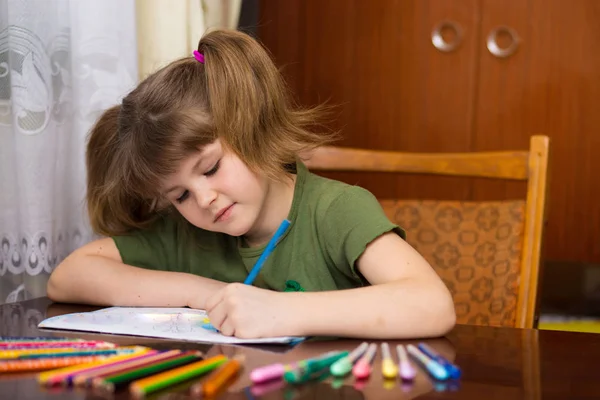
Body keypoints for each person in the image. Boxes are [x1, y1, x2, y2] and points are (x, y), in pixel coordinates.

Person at [48, 29, 455, 339]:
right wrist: (207, 293)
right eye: (180, 194)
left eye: (210, 168)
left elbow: (432, 304)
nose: (204, 199)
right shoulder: (189, 229)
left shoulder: (336, 211)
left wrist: (282, 311)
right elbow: (69, 276)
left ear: (249, 127)